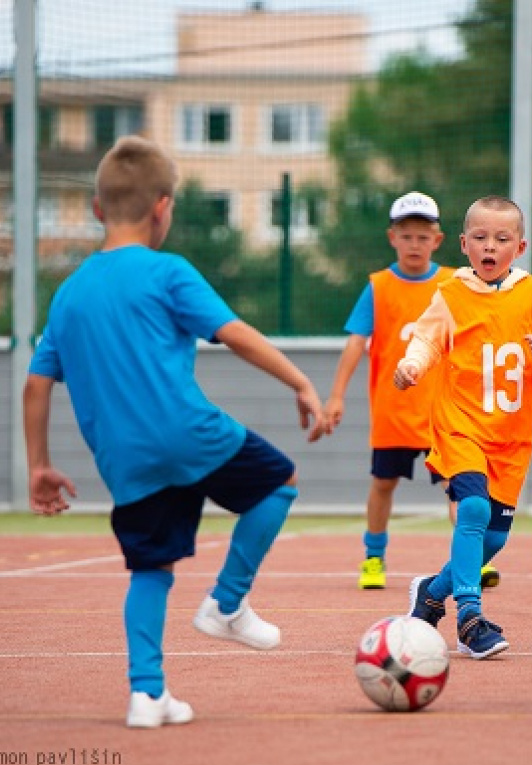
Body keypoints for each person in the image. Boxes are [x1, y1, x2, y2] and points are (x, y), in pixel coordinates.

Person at [22, 135, 329, 729]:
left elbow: (36, 386)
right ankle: (227, 603)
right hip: (189, 433)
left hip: (123, 460)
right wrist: (300, 382)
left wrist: (38, 463)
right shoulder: (168, 272)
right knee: (279, 484)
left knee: (150, 569)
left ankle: (147, 695)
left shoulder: (69, 293)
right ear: (163, 207)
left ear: (96, 209)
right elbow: (234, 333)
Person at [396, 196, 532, 658]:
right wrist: (412, 366)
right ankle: (470, 618)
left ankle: (433, 593)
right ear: (463, 244)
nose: (490, 246)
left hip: (512, 437)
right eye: (480, 237)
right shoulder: (451, 295)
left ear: (519, 246)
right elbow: (425, 339)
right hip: (461, 425)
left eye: (501, 238)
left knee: (494, 537)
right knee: (472, 512)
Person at [324, 191, 500, 590]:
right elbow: (356, 342)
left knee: (459, 485)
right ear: (392, 238)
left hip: (444, 410)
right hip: (394, 410)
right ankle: (373, 557)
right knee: (383, 484)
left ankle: (474, 557)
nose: (414, 244)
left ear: (437, 240)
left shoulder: (456, 282)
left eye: (423, 236)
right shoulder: (379, 287)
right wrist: (336, 395)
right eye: (406, 236)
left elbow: (481, 330)